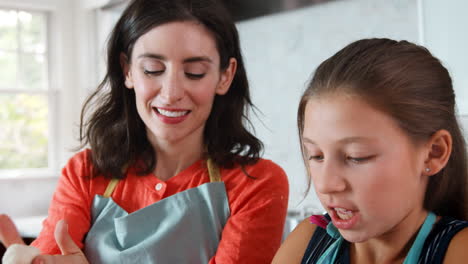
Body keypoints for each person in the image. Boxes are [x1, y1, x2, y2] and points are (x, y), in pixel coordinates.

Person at [0, 0, 289, 263]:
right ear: (127, 70)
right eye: (152, 69)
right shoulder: (85, 173)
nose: (172, 93)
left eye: (195, 72)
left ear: (225, 76)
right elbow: (50, 255)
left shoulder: (258, 184)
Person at [272, 38, 468, 263]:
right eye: (316, 155)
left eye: (356, 157)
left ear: (433, 153)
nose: (326, 185)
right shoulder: (305, 242)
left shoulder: (459, 251)